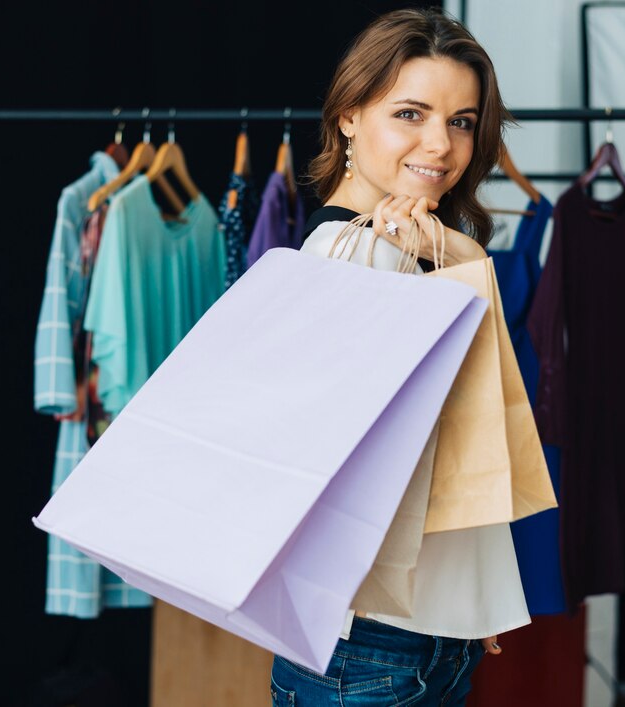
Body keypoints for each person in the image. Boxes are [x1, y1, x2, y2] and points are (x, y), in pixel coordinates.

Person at [269, 8, 520, 706]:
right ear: (349, 115)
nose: (440, 144)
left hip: (423, 636)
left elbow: (453, 455)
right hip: (369, 643)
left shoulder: (415, 256)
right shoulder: (345, 263)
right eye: (410, 113)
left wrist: (472, 596)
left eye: (462, 121)